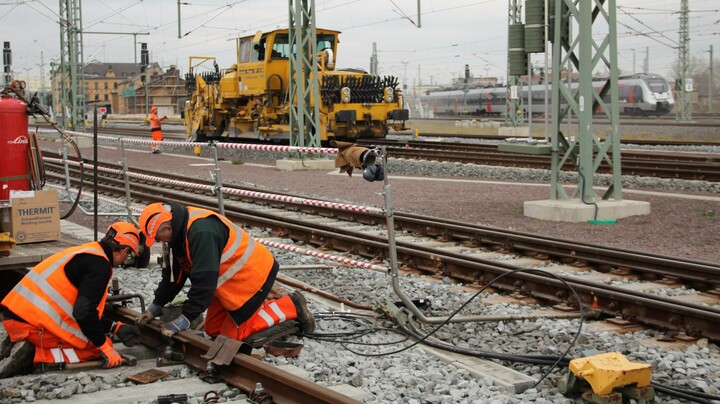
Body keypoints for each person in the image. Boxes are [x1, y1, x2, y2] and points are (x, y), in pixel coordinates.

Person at [136, 202, 314, 347]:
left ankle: (291, 305)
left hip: (251, 275)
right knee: (213, 331)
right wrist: (156, 305)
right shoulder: (177, 235)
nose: (159, 242)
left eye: (158, 237)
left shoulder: (201, 231)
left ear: (167, 227)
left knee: (232, 338)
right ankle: (260, 309)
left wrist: (186, 318)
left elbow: (203, 282)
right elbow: (173, 278)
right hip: (228, 282)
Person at [0, 222, 142, 374]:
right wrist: (104, 347)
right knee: (93, 349)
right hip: (32, 326)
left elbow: (76, 310)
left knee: (95, 337)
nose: (124, 260)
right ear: (124, 250)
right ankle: (36, 355)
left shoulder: (90, 252)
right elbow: (83, 313)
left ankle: (19, 343)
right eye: (128, 255)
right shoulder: (100, 266)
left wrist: (115, 327)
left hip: (16, 317)